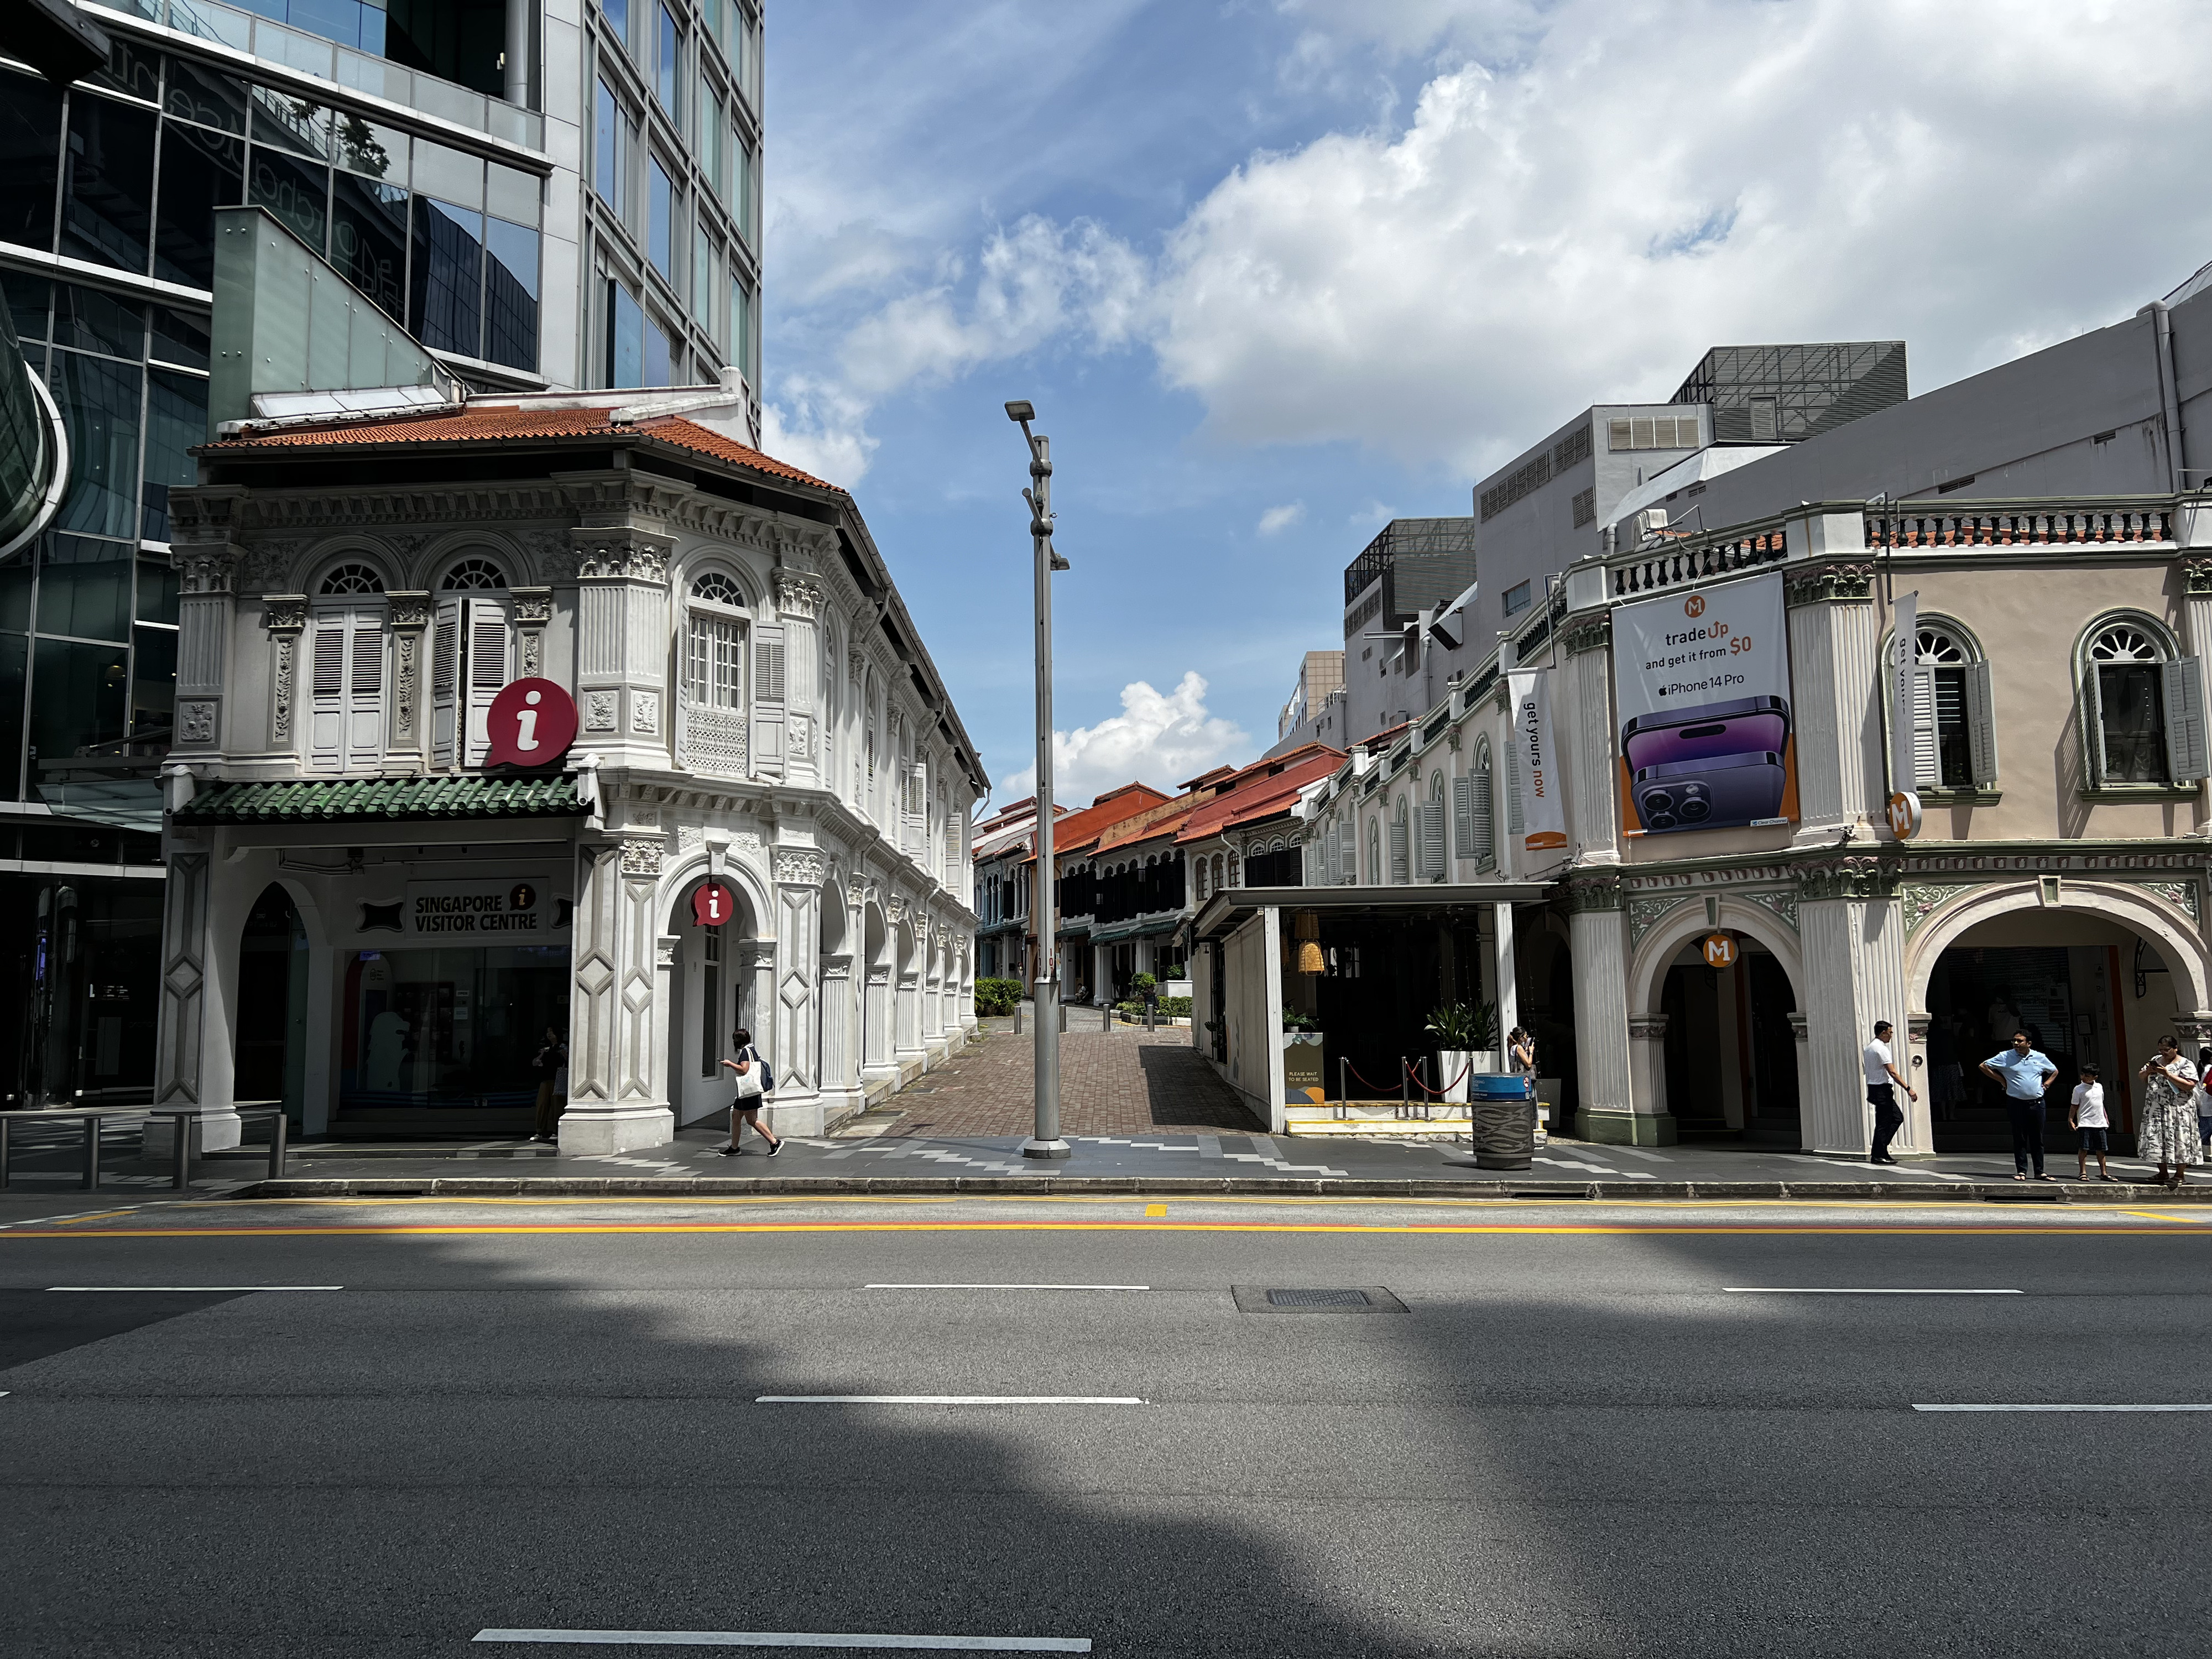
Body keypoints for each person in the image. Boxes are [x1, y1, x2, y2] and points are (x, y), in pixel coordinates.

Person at [1979, 1028, 2059, 1181]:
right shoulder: (2006, 1056)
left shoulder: (2039, 1057)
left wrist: (2047, 1084)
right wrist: (2002, 1080)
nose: (2016, 1043)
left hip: (2037, 1103)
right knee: (2020, 1138)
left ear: (2028, 1043)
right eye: (2014, 1040)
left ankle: (2039, 1171)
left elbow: (2054, 1071)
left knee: (2038, 1138)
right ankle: (2021, 1171)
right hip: (2016, 1103)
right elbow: (1983, 1066)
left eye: (2020, 1041)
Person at [2135, 1035, 2202, 1188]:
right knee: (2157, 1139)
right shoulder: (2156, 1060)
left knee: (2180, 1140)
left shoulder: (2186, 1064)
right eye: (2161, 1050)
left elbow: (2189, 1085)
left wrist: (2168, 1074)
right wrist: (2149, 1071)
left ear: (2175, 1048)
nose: (2163, 1053)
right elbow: (2141, 1076)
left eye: (2167, 1050)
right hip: (2156, 1108)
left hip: (2178, 1110)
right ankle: (2162, 1172)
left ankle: (2180, 1174)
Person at [716, 1025, 783, 1157]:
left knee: (752, 1120)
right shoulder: (751, 1049)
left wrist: (730, 1064)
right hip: (747, 1092)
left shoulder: (746, 1051)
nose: (733, 1042)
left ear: (738, 1041)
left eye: (734, 1039)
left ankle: (775, 1142)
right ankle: (734, 1148)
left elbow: (744, 1069)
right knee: (736, 1117)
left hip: (748, 1092)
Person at [1861, 1021, 1916, 1165]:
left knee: (1895, 1118)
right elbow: (1892, 1072)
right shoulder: (1881, 1049)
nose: (1892, 1035)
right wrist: (1908, 1088)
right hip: (1882, 1089)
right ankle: (1878, 1154)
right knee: (1885, 1123)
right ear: (1883, 1032)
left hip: (1874, 1088)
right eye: (1890, 1032)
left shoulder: (1869, 1048)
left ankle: (1881, 1151)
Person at [2070, 1062, 2110, 1182]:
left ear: (2095, 1078)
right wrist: (2071, 1120)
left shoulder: (2099, 1087)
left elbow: (2101, 1104)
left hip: (2100, 1122)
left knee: (2101, 1149)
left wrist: (2105, 1118)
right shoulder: (2078, 1089)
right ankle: (2083, 1172)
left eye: (2087, 1076)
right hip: (2085, 1123)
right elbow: (2074, 1106)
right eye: (2083, 1075)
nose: (2083, 1078)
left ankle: (2104, 1173)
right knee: (2084, 1148)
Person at [528, 1025, 566, 1144]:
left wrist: (564, 1054)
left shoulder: (562, 1046)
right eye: (548, 1032)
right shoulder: (545, 1048)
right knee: (542, 1104)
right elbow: (535, 1062)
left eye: (552, 1032)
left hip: (557, 1078)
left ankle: (556, 1131)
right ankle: (539, 1131)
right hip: (546, 1079)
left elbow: (567, 1059)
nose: (549, 1034)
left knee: (557, 1106)